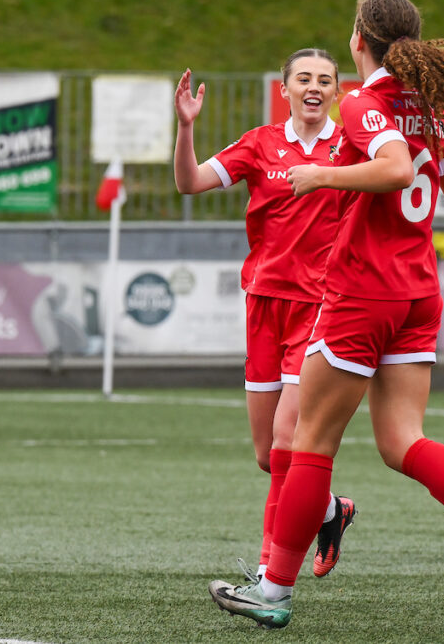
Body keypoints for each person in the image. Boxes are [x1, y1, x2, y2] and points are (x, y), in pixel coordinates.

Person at [206, 0, 444, 630]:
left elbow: (390, 169)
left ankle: (272, 591)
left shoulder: (364, 101)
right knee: (402, 441)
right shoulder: (431, 104)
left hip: (363, 293)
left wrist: (324, 176)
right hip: (419, 292)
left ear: (360, 40)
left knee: (309, 445)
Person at [172, 52, 356, 596]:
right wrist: (186, 128)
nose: (315, 87)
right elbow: (189, 182)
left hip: (320, 308)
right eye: (305, 79)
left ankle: (269, 574)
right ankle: (329, 510)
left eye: (326, 80)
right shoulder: (260, 143)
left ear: (338, 90)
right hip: (264, 307)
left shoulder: (349, 149)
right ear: (285, 89)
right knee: (265, 454)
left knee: (285, 441)